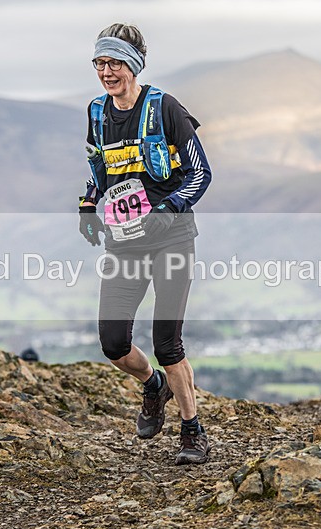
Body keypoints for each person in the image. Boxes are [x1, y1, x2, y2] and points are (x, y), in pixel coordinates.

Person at [78, 23, 212, 465]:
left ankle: (192, 430)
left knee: (167, 344)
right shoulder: (97, 113)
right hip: (124, 242)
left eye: (114, 62)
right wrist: (87, 205)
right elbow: (101, 173)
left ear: (133, 65)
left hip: (171, 238)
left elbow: (200, 172)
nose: (106, 71)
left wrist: (168, 209)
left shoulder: (164, 107)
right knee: (113, 342)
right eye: (100, 63)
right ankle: (153, 387)